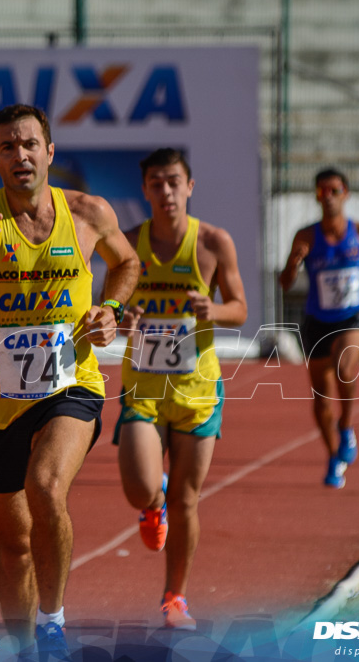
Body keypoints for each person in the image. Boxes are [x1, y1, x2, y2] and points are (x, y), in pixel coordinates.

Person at [0, 104, 139, 657]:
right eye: (8, 147)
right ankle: (24, 647)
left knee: (46, 487)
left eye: (29, 144)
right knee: (14, 545)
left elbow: (128, 263)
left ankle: (53, 621)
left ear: (49, 151)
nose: (20, 155)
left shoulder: (88, 212)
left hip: (73, 384)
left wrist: (110, 307)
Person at [113, 148, 247, 631]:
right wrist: (121, 318)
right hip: (144, 385)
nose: (166, 192)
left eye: (174, 182)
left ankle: (175, 598)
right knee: (139, 488)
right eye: (156, 183)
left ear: (190, 186)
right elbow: (108, 310)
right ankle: (153, 503)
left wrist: (214, 312)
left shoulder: (212, 242)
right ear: (145, 190)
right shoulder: (128, 244)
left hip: (196, 388)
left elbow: (239, 307)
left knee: (188, 499)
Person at [280, 168, 359, 489]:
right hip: (317, 320)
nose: (328, 198)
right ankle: (333, 455)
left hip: (353, 315)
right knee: (321, 400)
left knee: (346, 368)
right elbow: (285, 284)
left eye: (334, 190)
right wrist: (293, 263)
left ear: (346, 193)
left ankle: (347, 426)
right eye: (321, 192)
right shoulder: (305, 236)